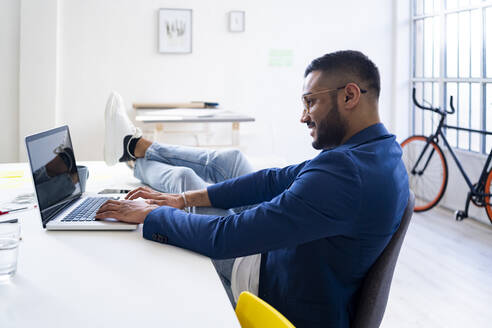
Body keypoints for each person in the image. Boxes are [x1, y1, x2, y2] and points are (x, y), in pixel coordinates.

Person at [96, 50, 409, 328]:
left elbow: (225, 238)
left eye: (310, 102)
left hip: (270, 287)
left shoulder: (345, 174)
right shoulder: (379, 152)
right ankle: (134, 149)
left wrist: (152, 215)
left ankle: (133, 158)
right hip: (297, 262)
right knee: (223, 167)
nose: (303, 116)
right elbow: (273, 180)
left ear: (349, 96)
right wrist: (183, 200)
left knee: (185, 179)